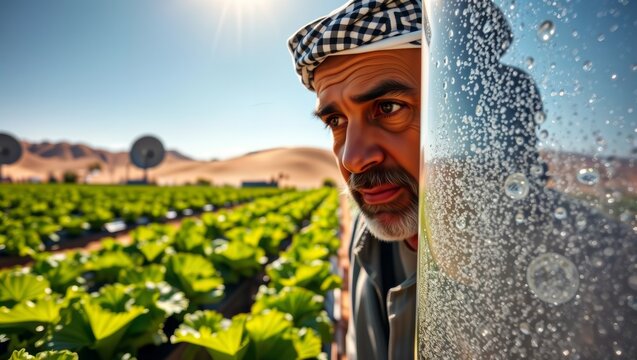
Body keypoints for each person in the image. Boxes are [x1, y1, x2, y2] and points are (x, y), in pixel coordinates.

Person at [288, 1, 425, 359]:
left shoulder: (566, 273)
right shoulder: (363, 238)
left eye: (388, 107)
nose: (352, 159)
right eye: (336, 122)